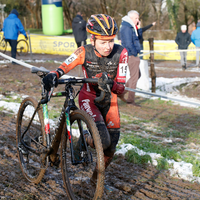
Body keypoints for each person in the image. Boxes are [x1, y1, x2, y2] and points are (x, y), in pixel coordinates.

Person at [42, 14, 128, 185]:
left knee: (111, 147)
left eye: (111, 41)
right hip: (89, 98)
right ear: (92, 39)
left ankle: (95, 180)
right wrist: (54, 74)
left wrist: (111, 83)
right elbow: (65, 66)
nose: (108, 46)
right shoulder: (84, 51)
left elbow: (121, 88)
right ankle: (83, 139)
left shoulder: (121, 53)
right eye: (103, 42)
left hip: (110, 100)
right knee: (102, 141)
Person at [118, 10, 142, 107]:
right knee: (134, 77)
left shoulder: (130, 26)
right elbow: (128, 43)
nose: (138, 20)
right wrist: (134, 53)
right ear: (131, 18)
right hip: (131, 55)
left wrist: (138, 28)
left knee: (137, 75)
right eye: (136, 18)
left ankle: (122, 93)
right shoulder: (127, 27)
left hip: (131, 54)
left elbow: (137, 38)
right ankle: (130, 100)